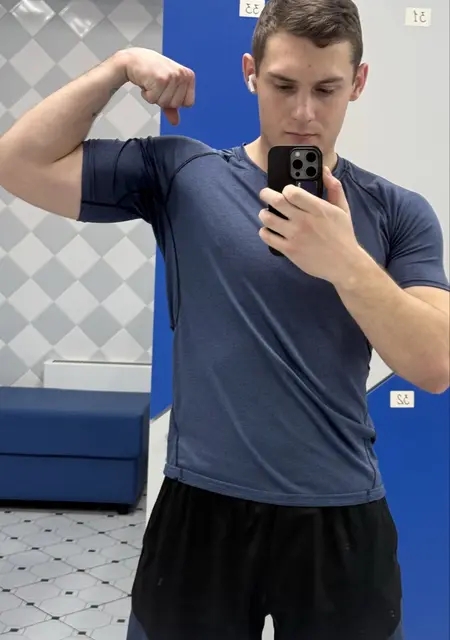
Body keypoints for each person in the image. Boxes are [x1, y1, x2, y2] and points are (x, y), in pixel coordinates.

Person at [0, 0, 449, 637]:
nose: (303, 113)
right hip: (201, 507)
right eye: (283, 85)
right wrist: (118, 67)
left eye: (325, 89)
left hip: (339, 513)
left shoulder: (397, 212)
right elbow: (18, 161)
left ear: (358, 82)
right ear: (250, 73)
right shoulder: (182, 174)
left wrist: (346, 263)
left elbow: (434, 366)